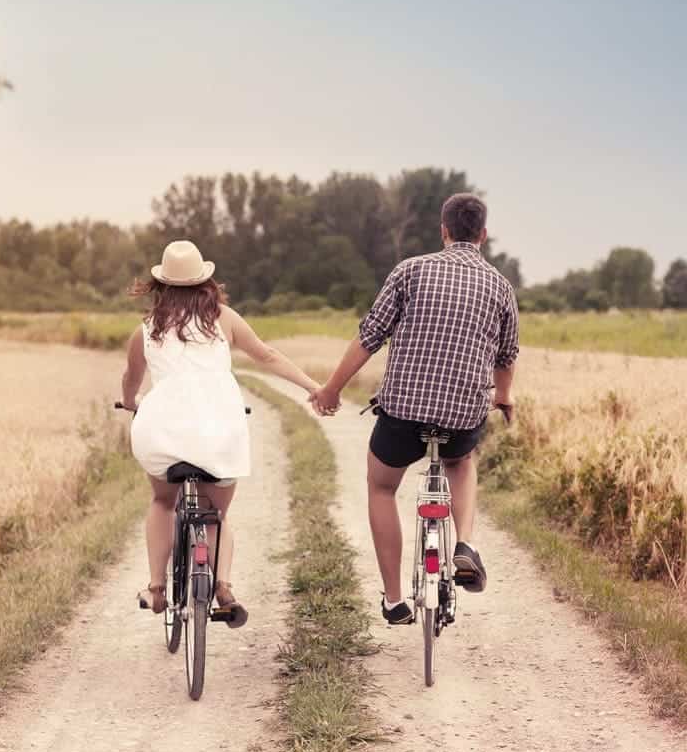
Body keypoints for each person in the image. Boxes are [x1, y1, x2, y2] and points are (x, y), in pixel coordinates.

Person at [309, 194, 519, 625]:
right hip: (462, 415)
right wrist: (503, 396)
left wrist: (332, 389)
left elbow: (370, 337)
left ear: (444, 230)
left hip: (403, 412)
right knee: (461, 461)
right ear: (482, 234)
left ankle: (393, 600)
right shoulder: (500, 286)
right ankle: (465, 543)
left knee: (382, 487)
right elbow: (506, 355)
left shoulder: (410, 270)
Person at [121, 240, 321, 626]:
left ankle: (156, 588)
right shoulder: (224, 319)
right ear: (205, 282)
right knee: (217, 514)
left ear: (161, 285)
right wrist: (313, 386)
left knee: (162, 501)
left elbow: (130, 380)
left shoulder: (145, 330)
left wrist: (131, 402)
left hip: (162, 434)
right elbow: (267, 356)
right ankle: (223, 588)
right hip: (219, 432)